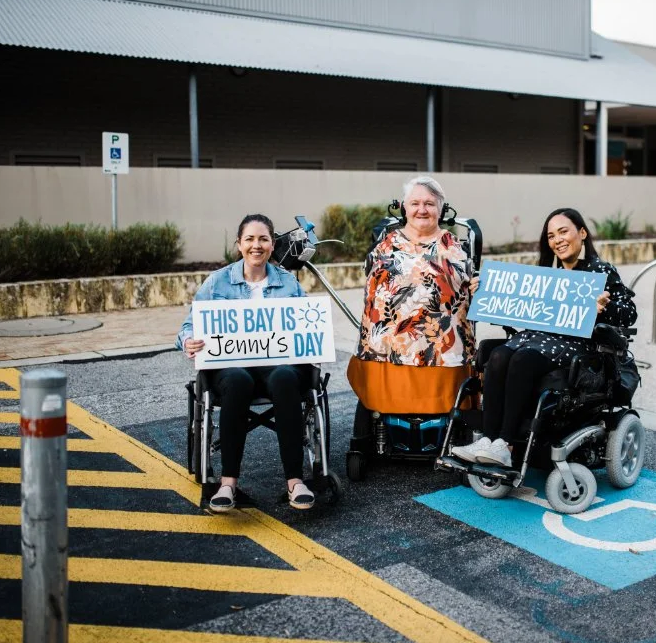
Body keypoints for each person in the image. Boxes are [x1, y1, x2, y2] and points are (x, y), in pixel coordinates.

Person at [451, 207, 637, 468]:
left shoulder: (600, 272)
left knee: (523, 359)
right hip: (537, 337)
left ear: (582, 233)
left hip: (576, 343)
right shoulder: (546, 275)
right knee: (498, 354)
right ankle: (489, 440)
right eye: (551, 236)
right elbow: (517, 308)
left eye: (563, 232)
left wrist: (605, 308)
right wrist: (485, 292)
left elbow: (629, 314)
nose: (557, 240)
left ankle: (505, 443)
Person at [177, 214, 316, 513]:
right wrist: (189, 340)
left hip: (279, 365)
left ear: (272, 244)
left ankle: (295, 481)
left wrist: (314, 336)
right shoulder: (217, 282)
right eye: (250, 239)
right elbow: (187, 327)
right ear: (239, 244)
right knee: (239, 381)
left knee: (283, 378)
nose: (257, 245)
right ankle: (228, 483)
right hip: (231, 366)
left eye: (263, 239)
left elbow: (308, 324)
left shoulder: (288, 283)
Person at [347, 176, 478, 414]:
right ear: (404, 207)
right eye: (415, 203)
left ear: (441, 208)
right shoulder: (384, 246)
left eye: (429, 203)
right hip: (386, 353)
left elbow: (473, 295)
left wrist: (479, 288)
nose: (422, 209)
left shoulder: (458, 249)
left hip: (444, 354)